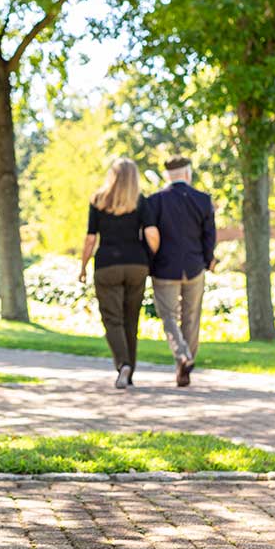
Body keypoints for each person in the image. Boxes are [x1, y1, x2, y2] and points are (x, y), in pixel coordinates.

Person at [79, 158, 153, 389]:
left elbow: (91, 238)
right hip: (136, 265)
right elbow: (151, 234)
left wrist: (82, 266)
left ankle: (123, 365)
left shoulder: (98, 201)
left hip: (107, 265)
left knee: (113, 319)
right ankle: (129, 371)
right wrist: (151, 259)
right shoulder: (140, 202)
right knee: (132, 319)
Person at [143, 157, 216, 387]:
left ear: (167, 176)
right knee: (191, 317)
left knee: (169, 318)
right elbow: (209, 237)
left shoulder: (154, 201)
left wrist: (150, 261)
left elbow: (150, 235)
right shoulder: (203, 200)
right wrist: (208, 260)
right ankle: (185, 364)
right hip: (194, 267)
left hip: (165, 268)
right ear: (188, 174)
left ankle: (182, 356)